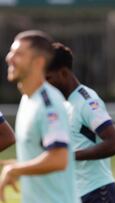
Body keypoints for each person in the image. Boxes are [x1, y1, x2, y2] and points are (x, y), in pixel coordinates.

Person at [0, 30, 77, 203]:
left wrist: (16, 170)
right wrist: (20, 164)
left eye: (18, 54)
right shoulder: (27, 99)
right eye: (11, 52)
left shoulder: (48, 103)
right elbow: (45, 154)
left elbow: (59, 158)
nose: (9, 58)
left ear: (38, 62)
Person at [46, 42, 115, 203]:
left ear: (64, 73)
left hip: (97, 192)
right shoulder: (64, 103)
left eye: (49, 78)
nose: (46, 85)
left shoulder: (87, 102)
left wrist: (68, 156)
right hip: (76, 192)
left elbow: (114, 144)